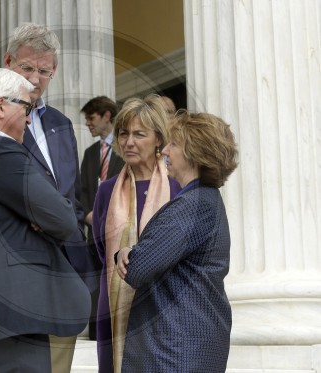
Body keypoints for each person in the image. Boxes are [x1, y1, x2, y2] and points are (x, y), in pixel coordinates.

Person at [0, 23, 94, 372]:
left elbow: (72, 199)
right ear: (8, 61)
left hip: (63, 271)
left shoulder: (62, 124)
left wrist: (67, 236)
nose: (35, 78)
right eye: (27, 68)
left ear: (54, 71)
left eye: (43, 70)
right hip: (16, 278)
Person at [116, 111, 239, 372]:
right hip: (186, 342)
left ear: (194, 152)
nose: (164, 150)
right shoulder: (205, 200)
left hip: (174, 348)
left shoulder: (192, 205)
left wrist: (125, 252)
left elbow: (137, 269)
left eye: (174, 143)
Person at [92, 94, 181, 372]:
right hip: (114, 305)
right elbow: (98, 246)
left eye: (139, 134)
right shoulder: (106, 190)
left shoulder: (178, 187)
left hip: (166, 305)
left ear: (158, 139)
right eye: (123, 133)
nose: (128, 142)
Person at [79, 96, 125, 340]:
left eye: (91, 117)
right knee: (94, 285)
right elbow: (82, 190)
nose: (88, 123)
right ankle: (97, 333)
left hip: (120, 232)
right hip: (92, 233)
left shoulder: (125, 148)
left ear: (107, 116)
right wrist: (90, 215)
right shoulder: (89, 153)